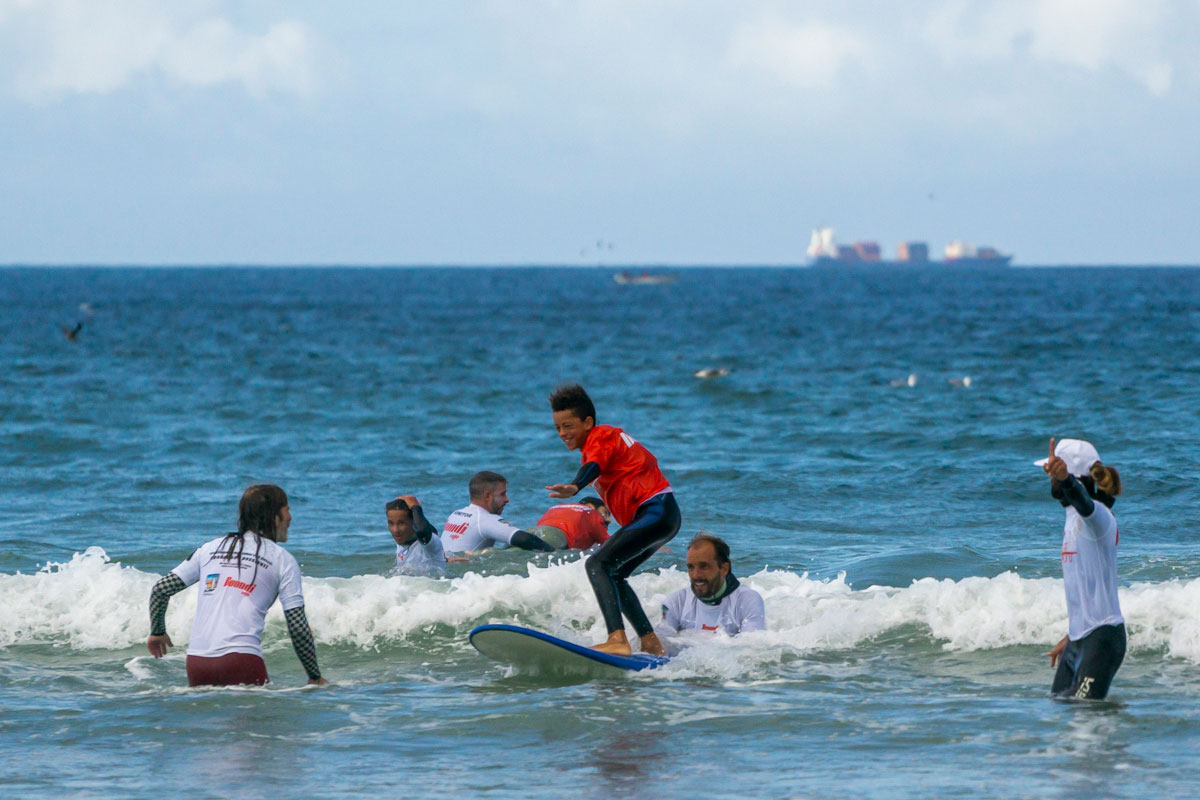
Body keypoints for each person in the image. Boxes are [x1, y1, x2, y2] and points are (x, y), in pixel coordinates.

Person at [145, 485, 327, 687]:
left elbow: (160, 590)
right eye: (287, 510)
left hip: (197, 663)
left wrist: (157, 632)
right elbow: (298, 626)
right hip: (242, 661)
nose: (290, 517)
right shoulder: (282, 559)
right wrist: (314, 676)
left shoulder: (210, 548)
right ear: (274, 516)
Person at [546, 384, 681, 656]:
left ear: (588, 422)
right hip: (664, 515)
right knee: (615, 573)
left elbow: (593, 465)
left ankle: (617, 640)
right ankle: (651, 643)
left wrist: (575, 486)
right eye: (558, 428)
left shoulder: (601, 434)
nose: (563, 434)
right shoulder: (603, 442)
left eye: (568, 426)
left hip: (655, 510)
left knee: (597, 564)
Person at [1038, 437, 1126, 700]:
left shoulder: (1098, 517)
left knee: (1086, 724)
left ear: (1074, 476)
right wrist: (1072, 635)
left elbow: (1085, 503)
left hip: (1102, 640)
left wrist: (1066, 481)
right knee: (1060, 708)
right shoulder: (1072, 520)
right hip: (1080, 641)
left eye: (1055, 474)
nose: (1050, 480)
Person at [659, 534, 766, 636]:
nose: (695, 575)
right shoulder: (677, 601)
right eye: (691, 567)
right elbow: (660, 648)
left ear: (724, 569)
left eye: (704, 566)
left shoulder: (747, 600)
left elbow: (751, 650)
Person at [440, 471, 555, 555]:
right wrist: (556, 553)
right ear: (487, 496)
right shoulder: (485, 519)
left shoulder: (455, 514)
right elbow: (524, 539)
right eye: (502, 494)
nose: (507, 499)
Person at [387, 494, 456, 575]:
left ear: (413, 521)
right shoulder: (402, 538)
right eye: (391, 523)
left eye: (401, 523)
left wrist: (415, 507)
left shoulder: (428, 542)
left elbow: (422, 530)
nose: (395, 530)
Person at [528, 496, 612, 551]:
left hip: (531, 532)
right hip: (554, 536)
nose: (609, 520)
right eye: (605, 513)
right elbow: (610, 544)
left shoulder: (556, 507)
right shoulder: (590, 512)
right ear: (590, 506)